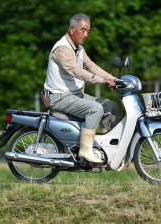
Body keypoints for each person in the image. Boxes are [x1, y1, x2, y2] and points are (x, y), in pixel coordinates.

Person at [44, 13, 117, 164]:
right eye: (83, 30)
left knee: (109, 106)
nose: (86, 34)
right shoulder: (62, 49)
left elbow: (91, 66)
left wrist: (114, 79)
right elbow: (76, 71)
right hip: (59, 97)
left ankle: (106, 148)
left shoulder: (79, 48)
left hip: (75, 95)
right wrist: (102, 81)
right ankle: (85, 150)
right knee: (96, 109)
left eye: (88, 31)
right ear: (72, 29)